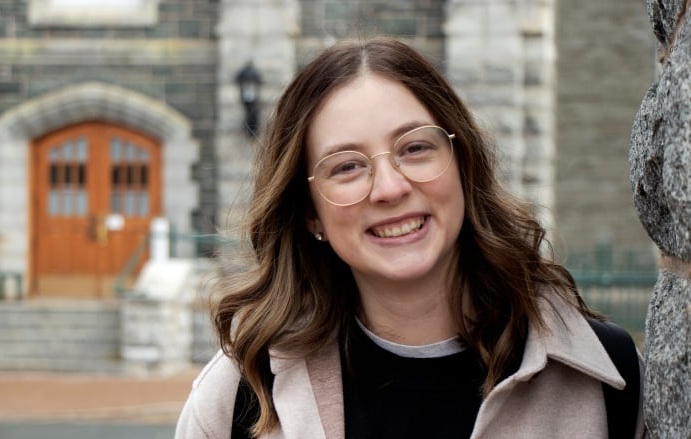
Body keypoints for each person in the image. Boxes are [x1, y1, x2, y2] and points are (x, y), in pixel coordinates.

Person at [175, 36, 646, 438]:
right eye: (347, 166)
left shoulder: (605, 376)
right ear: (309, 214)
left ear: (462, 164)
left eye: (415, 147)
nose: (391, 188)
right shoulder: (242, 394)